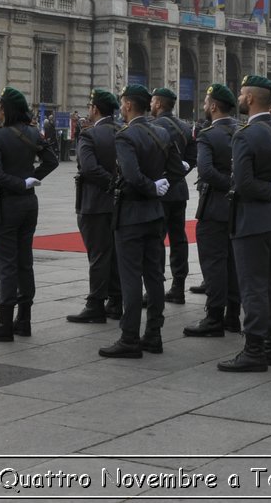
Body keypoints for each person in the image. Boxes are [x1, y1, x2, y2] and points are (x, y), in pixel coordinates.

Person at [219, 75, 271, 372]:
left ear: (250, 99)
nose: (238, 96)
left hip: (251, 219)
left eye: (241, 92)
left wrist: (269, 189)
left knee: (253, 286)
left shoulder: (245, 134)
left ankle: (254, 351)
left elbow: (244, 183)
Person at [0, 88, 60, 342]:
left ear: (6, 109)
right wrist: (32, 178)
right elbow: (52, 160)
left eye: (0, 105)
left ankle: (3, 323)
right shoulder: (34, 132)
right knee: (25, 261)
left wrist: (20, 183)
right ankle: (24, 319)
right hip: (28, 205)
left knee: (6, 263)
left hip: (6, 204)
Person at [99, 84, 170, 359]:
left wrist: (151, 187)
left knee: (130, 278)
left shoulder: (126, 136)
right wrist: (160, 187)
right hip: (155, 214)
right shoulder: (162, 132)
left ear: (128, 105)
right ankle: (154, 334)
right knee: (154, 276)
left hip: (130, 215)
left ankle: (129, 338)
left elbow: (130, 175)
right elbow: (176, 168)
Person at [184, 84, 241, 339]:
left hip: (214, 207)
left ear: (214, 106)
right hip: (239, 207)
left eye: (206, 102)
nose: (204, 107)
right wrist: (239, 186)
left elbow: (204, 170)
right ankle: (233, 316)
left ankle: (214, 317)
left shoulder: (208, 134)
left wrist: (229, 186)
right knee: (233, 262)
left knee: (214, 263)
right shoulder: (243, 130)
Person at [67, 89, 123, 325]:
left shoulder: (89, 136)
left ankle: (95, 304)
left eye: (90, 106)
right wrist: (119, 186)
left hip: (94, 203)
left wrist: (111, 185)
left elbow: (88, 168)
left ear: (95, 109)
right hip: (119, 204)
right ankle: (116, 301)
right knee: (114, 255)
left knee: (98, 255)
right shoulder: (123, 131)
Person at [149, 87, 194, 304]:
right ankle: (178, 287)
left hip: (161, 191)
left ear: (158, 104)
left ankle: (154, 289)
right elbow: (193, 158)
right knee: (179, 241)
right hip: (179, 191)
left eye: (152, 102)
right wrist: (182, 171)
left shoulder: (154, 127)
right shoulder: (185, 126)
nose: (150, 106)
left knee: (156, 241)